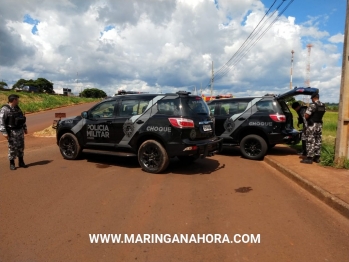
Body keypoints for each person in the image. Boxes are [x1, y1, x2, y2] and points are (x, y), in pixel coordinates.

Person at [0, 94, 28, 170]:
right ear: (14, 100)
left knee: (21, 147)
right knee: (12, 148)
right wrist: (4, 132)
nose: (18, 101)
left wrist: (25, 128)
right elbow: (1, 121)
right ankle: (12, 163)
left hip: (19, 131)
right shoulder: (5, 109)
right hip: (11, 131)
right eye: (17, 99)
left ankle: (21, 162)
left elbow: (22, 119)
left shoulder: (18, 108)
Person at [300, 93, 326, 164]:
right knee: (318, 140)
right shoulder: (323, 105)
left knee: (310, 140)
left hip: (312, 125)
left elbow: (307, 116)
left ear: (313, 98)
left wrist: (305, 115)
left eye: (311, 98)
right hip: (319, 125)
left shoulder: (313, 105)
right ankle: (317, 157)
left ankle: (309, 158)